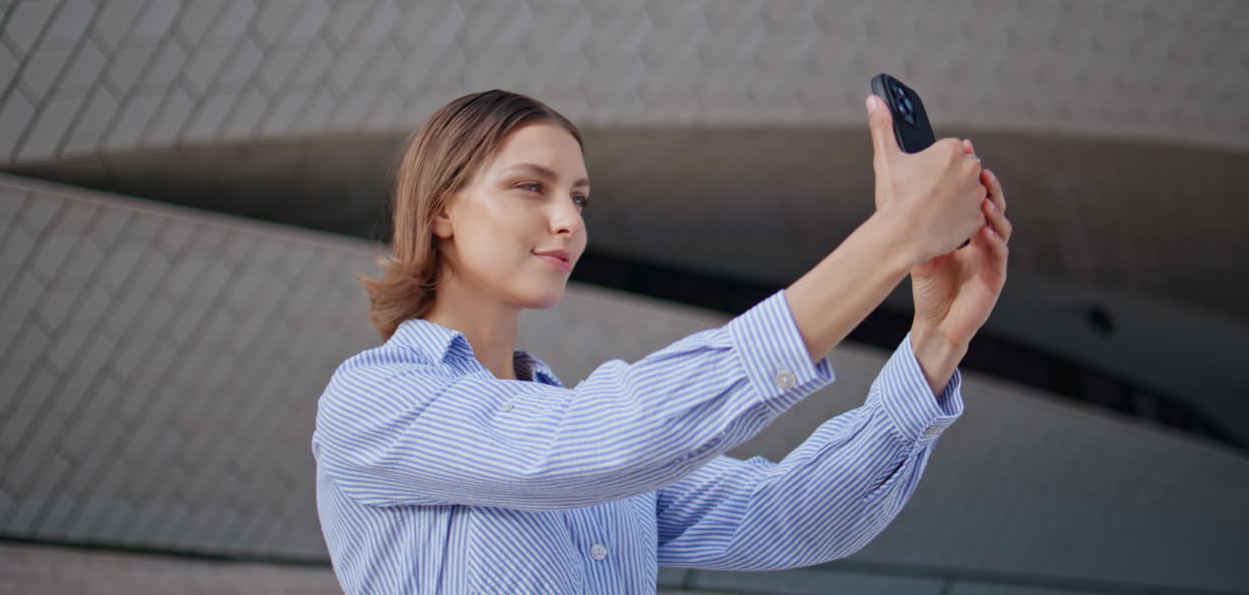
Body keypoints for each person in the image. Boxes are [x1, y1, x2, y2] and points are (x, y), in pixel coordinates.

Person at [312, 89, 1011, 594]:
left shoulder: (585, 436)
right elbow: (605, 438)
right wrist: (891, 241)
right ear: (441, 209)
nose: (568, 221)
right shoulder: (375, 400)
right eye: (531, 187)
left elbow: (786, 515)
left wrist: (934, 343)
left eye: (578, 198)